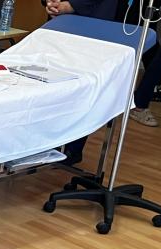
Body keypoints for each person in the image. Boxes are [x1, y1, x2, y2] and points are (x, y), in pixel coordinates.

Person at [45, 0, 117, 166]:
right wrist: (51, 2)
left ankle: (72, 147)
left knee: (82, 88)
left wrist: (70, 5)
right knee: (53, 84)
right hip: (61, 23)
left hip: (94, 25)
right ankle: (47, 143)